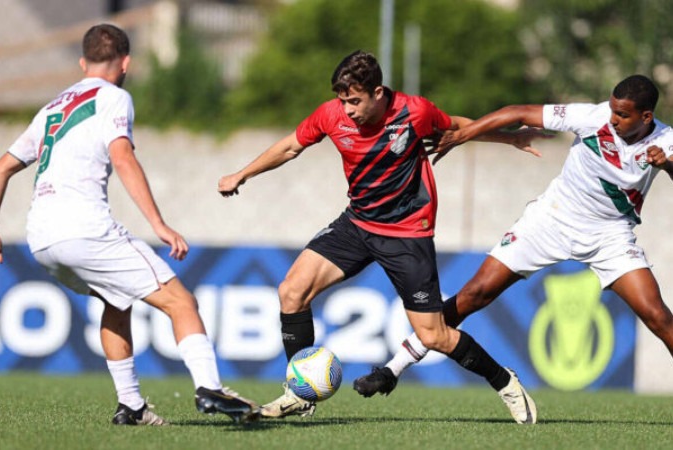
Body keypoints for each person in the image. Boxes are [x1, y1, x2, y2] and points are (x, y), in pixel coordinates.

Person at [218, 50, 541, 424]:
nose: (348, 110)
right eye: (343, 101)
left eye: (355, 101)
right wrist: (242, 174)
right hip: (357, 223)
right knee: (292, 291)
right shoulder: (331, 115)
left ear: (377, 92)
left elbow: (456, 126)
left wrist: (509, 139)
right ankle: (299, 393)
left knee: (435, 335)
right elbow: (291, 145)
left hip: (407, 234)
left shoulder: (414, 112)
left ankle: (505, 383)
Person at [0, 24, 259, 426]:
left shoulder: (51, 107)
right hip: (84, 229)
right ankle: (209, 387)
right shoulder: (115, 98)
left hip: (41, 237)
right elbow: (122, 157)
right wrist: (159, 223)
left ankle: (131, 406)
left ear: (83, 62)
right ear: (126, 63)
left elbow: (2, 168)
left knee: (115, 301)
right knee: (182, 303)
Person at [353, 74, 673, 399]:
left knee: (657, 315)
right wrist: (463, 134)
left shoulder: (666, 140)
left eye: (623, 114)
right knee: (473, 295)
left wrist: (669, 164)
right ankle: (392, 370)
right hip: (551, 219)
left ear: (646, 117)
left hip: (610, 235)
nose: (613, 118)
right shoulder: (592, 117)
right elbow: (519, 112)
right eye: (612, 109)